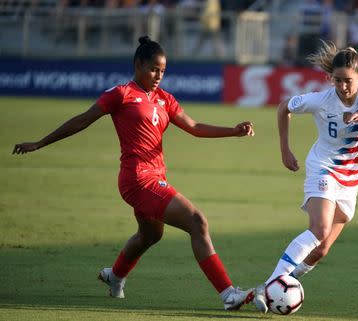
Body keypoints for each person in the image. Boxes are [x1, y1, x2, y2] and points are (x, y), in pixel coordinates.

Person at [13, 36, 255, 311]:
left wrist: (233, 131)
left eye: (162, 71)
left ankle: (115, 276)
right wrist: (40, 142)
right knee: (197, 221)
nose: (158, 76)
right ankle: (228, 295)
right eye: (153, 69)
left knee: (150, 236)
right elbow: (83, 119)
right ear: (138, 65)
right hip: (138, 179)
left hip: (156, 177)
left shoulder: (164, 99)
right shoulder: (121, 94)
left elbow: (195, 126)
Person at [253, 40, 358, 313]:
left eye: (348, 81)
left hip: (352, 179)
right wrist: (285, 149)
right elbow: (284, 107)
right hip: (323, 167)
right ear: (330, 79)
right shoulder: (321, 100)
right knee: (320, 229)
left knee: (321, 250)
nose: (343, 87)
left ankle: (278, 289)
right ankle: (269, 287)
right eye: (337, 81)